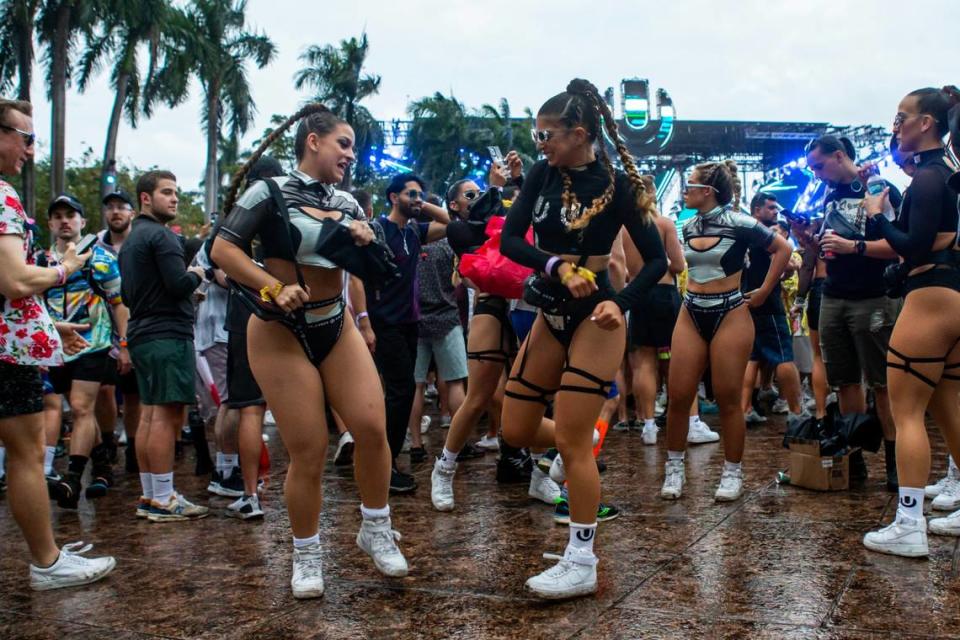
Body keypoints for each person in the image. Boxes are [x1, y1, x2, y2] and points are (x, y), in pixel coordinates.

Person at [212, 103, 409, 599]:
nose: (350, 153)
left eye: (353, 147)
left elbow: (371, 268)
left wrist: (368, 237)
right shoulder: (269, 191)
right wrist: (271, 287)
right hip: (279, 330)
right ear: (313, 140)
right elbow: (223, 250)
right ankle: (306, 553)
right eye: (343, 143)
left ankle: (375, 527)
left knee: (371, 427)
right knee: (309, 450)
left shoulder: (348, 202)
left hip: (333, 322)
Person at [498, 78, 667, 599]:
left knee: (570, 440)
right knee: (515, 427)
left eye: (546, 134)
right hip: (550, 309)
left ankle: (581, 557)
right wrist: (554, 264)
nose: (539, 143)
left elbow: (656, 260)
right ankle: (584, 436)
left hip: (598, 318)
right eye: (537, 134)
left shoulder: (619, 187)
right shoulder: (541, 178)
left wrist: (620, 301)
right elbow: (509, 240)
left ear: (579, 133)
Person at [0, 97, 116, 589]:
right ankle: (47, 562)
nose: (31, 148)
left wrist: (50, 325)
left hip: (24, 340)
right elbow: (15, 281)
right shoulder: (2, 196)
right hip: (8, 353)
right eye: (25, 137)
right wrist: (65, 268)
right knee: (27, 454)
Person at [862, 87, 960, 557]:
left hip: (931, 299)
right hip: (954, 295)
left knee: (906, 412)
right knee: (949, 403)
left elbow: (914, 245)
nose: (895, 125)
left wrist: (878, 218)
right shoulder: (952, 172)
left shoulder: (928, 176)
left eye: (902, 117)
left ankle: (909, 523)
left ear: (927, 123)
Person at [661, 161, 791, 503]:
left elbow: (784, 249)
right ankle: (674, 467)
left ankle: (733, 471)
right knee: (678, 395)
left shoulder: (741, 223)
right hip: (691, 311)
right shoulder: (687, 226)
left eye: (690, 184)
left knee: (730, 397)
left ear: (708, 191)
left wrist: (763, 290)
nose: (685, 190)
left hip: (731, 310)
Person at [805, 135, 903, 490]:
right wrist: (809, 241)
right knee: (844, 381)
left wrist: (853, 246)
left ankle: (895, 464)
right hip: (834, 295)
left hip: (874, 296)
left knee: (882, 384)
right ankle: (854, 459)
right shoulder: (830, 194)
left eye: (819, 165)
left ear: (839, 155)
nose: (816, 174)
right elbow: (828, 248)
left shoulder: (878, 187)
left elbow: (900, 245)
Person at [119, 170, 209, 522]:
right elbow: (176, 283)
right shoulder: (162, 236)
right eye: (167, 192)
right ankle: (164, 497)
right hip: (166, 334)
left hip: (141, 332)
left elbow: (128, 294)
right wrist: (198, 275)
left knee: (150, 413)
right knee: (166, 415)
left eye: (176, 192)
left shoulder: (132, 240)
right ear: (146, 198)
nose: (174, 199)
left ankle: (151, 495)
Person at [42, 193, 130, 507]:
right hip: (54, 348)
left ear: (82, 221)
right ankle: (102, 463)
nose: (65, 221)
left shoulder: (101, 259)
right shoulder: (40, 262)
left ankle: (73, 478)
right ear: (50, 223)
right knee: (76, 412)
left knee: (81, 408)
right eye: (58, 216)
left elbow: (120, 305)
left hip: (94, 344)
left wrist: (124, 345)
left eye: (71, 215)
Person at [364, 173, 450, 494]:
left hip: (410, 323)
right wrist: (364, 323)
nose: (416, 198)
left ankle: (384, 463)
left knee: (400, 393)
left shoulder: (414, 232)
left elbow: (453, 223)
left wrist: (422, 203)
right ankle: (383, 467)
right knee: (399, 393)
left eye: (420, 193)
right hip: (383, 322)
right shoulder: (378, 230)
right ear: (392, 197)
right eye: (410, 194)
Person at [740, 193, 806, 423]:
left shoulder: (745, 231)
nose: (775, 212)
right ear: (756, 210)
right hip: (766, 302)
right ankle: (797, 412)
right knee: (784, 355)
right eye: (770, 208)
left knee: (753, 357)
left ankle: (745, 408)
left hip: (748, 301)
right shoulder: (762, 233)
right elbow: (785, 259)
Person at [97, 191, 142, 473]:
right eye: (110, 207)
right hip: (100, 331)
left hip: (135, 327)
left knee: (133, 393)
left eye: (121, 207)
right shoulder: (95, 248)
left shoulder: (139, 244)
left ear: (131, 213)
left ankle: (135, 451)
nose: (115, 212)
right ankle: (107, 441)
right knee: (102, 391)